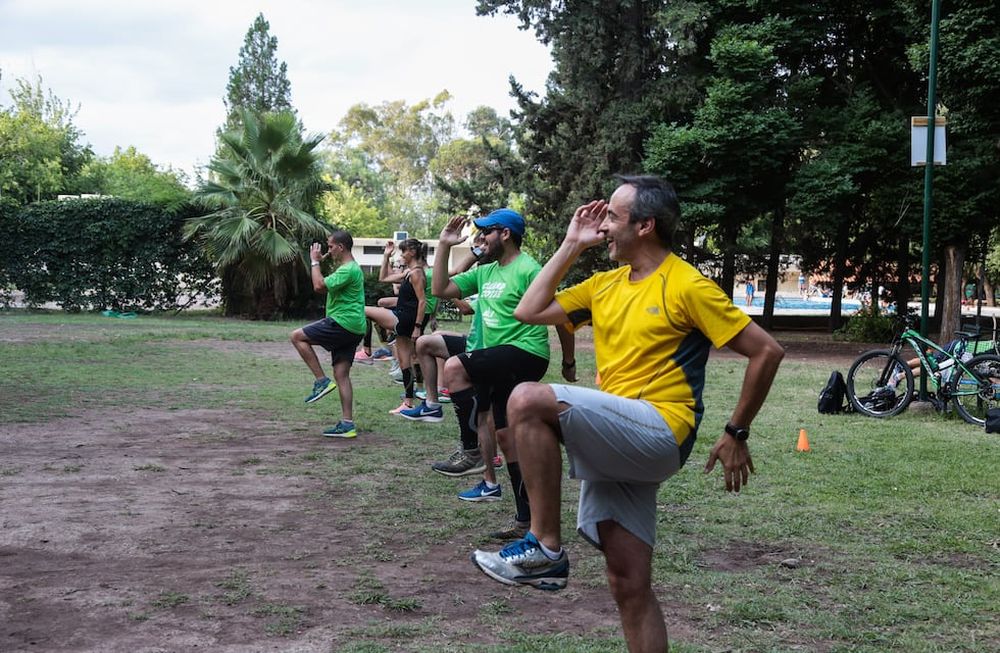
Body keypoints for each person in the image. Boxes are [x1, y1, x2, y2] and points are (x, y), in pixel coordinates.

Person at [470, 176, 784, 651]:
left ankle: (544, 545)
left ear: (645, 226)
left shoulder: (687, 285)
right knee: (628, 583)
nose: (602, 225)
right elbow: (528, 311)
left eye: (612, 216)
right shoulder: (605, 285)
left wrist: (736, 432)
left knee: (525, 399)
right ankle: (548, 549)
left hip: (660, 429)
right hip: (618, 431)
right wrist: (571, 245)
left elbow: (767, 351)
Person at [428, 208, 573, 540]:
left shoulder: (529, 269)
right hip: (497, 359)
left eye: (486, 233)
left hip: (525, 352)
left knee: (453, 366)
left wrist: (568, 361)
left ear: (505, 234)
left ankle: (472, 450)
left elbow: (562, 316)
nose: (480, 239)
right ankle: (525, 520)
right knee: (508, 440)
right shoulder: (486, 272)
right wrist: (444, 245)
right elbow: (441, 289)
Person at [290, 229, 367, 438]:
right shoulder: (349, 269)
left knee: (297, 336)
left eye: (331, 246)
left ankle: (321, 381)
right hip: (355, 327)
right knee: (341, 375)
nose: (329, 250)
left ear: (341, 247)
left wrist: (314, 262)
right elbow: (325, 286)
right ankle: (347, 424)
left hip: (342, 323)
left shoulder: (348, 270)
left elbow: (318, 285)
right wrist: (320, 264)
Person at [363, 238, 430, 413]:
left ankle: (366, 350)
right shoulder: (410, 272)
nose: (401, 254)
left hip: (405, 318)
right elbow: (383, 278)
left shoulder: (417, 274)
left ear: (413, 252)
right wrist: (386, 256)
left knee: (363, 310)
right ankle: (408, 402)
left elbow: (423, 302)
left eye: (404, 251)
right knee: (404, 361)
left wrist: (417, 326)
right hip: (403, 317)